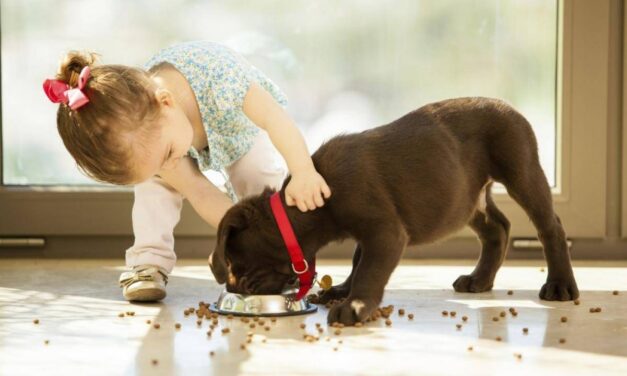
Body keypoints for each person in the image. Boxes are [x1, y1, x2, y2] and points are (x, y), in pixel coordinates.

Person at [43, 41, 331, 301]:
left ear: (166, 102)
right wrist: (233, 239)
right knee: (154, 189)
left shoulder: (223, 82)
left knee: (258, 175)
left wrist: (303, 169)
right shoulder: (154, 137)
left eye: (166, 156)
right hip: (171, 134)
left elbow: (274, 118)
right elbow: (199, 191)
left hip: (237, 127)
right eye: (156, 165)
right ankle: (148, 261)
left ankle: (278, 258)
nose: (168, 166)